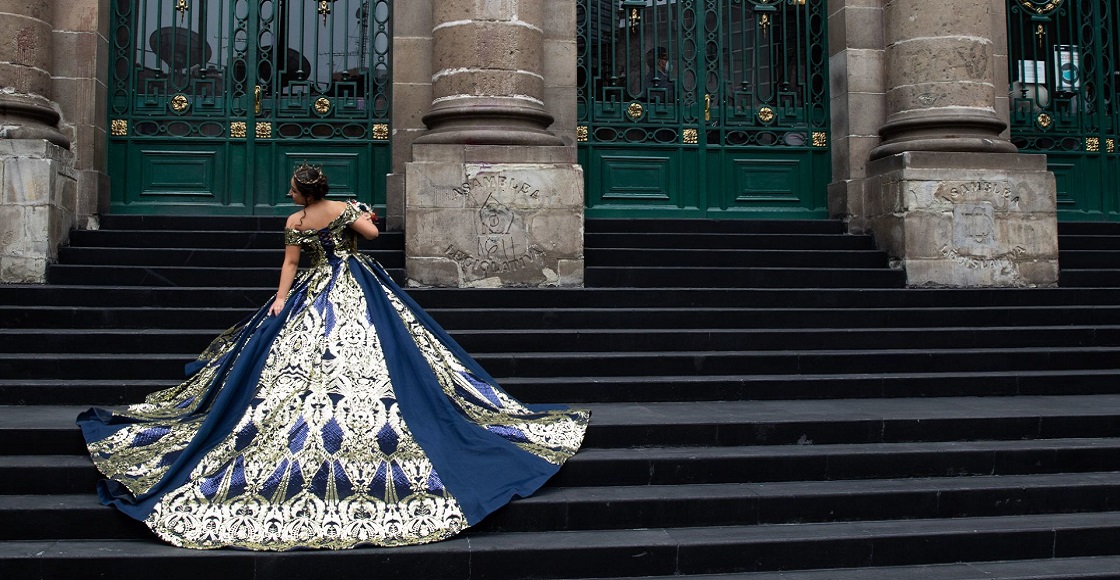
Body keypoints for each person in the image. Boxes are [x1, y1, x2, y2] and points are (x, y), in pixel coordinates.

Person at [76, 163, 590, 551]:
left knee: (285, 367)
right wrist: (362, 213)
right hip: (359, 286)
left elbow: (290, 264)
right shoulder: (344, 209)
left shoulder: (295, 220)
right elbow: (373, 236)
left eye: (295, 190)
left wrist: (280, 301)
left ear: (301, 194)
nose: (294, 196)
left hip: (310, 293)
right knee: (401, 353)